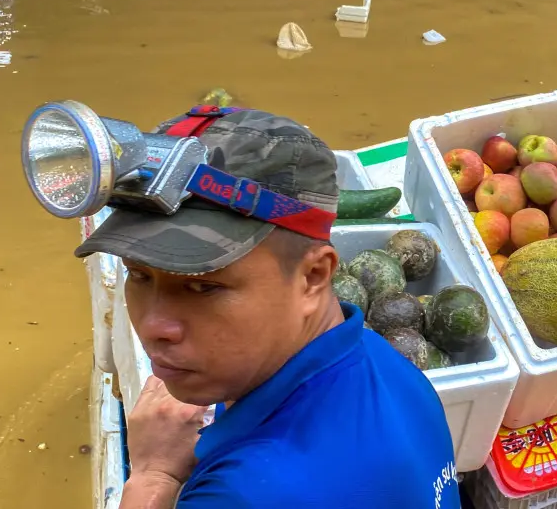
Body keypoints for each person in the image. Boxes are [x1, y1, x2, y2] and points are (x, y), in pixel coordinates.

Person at [75, 108, 461, 508]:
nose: (154, 326)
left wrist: (154, 477)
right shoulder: (384, 361)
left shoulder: (244, 493)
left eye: (203, 286)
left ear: (312, 277)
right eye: (138, 275)